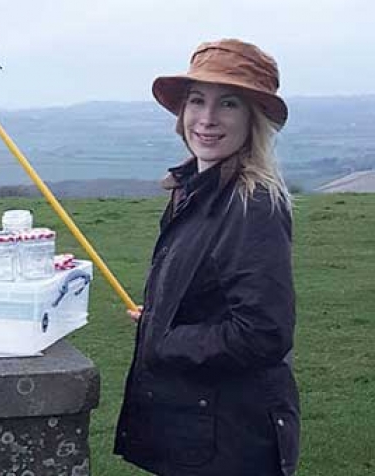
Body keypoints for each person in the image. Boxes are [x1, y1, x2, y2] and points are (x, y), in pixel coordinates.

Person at [114, 39, 300, 476]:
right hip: (199, 431)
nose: (208, 118)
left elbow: (263, 333)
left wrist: (166, 338)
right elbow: (208, 289)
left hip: (230, 441)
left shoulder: (251, 204)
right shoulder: (196, 187)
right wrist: (161, 314)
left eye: (228, 104)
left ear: (252, 119)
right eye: (197, 100)